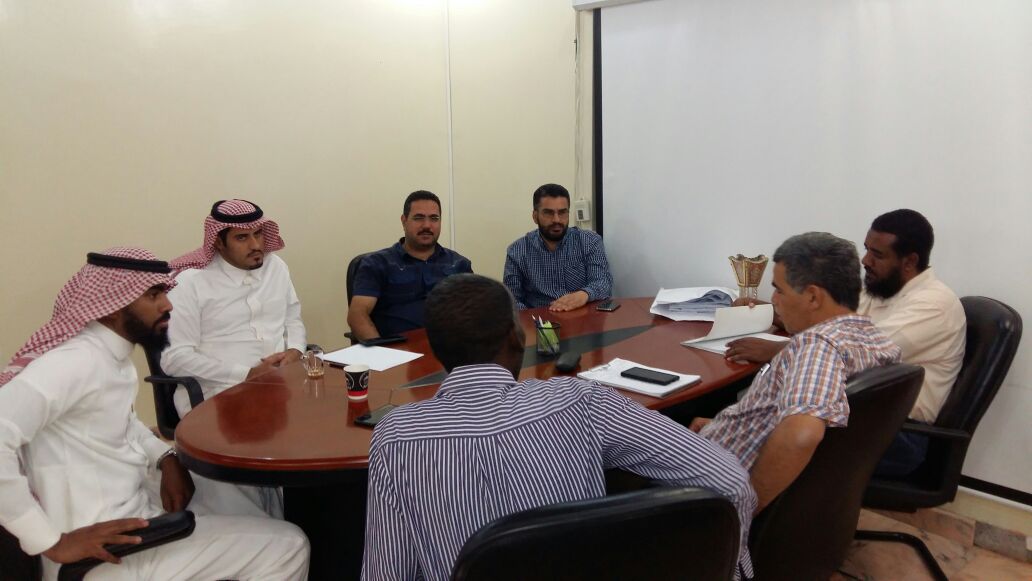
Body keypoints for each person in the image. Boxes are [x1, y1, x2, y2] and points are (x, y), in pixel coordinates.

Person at [361, 274, 756, 581]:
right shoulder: (580, 399)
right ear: (516, 338)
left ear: (436, 352)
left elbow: (386, 572)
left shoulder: (395, 437)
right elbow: (731, 482)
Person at [0, 248, 309, 581]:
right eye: (153, 295)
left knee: (229, 494)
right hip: (111, 552)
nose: (168, 305)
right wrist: (49, 542)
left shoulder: (107, 356)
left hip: (134, 511)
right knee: (290, 544)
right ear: (112, 306)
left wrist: (166, 458)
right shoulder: (74, 363)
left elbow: (123, 423)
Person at [724, 210, 964, 477]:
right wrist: (772, 309)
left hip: (900, 432)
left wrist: (773, 350)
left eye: (877, 255)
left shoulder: (934, 305)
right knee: (751, 417)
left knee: (777, 433)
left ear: (909, 262)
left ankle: (742, 495)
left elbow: (850, 350)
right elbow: (827, 321)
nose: (866, 260)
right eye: (866, 249)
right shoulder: (881, 288)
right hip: (857, 410)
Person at [690, 233, 901, 513]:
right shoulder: (874, 339)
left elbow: (801, 436)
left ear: (813, 296)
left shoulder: (817, 346)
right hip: (750, 465)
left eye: (779, 290)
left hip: (711, 492)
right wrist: (727, 425)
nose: (774, 300)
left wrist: (743, 511)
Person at [162, 198, 307, 517]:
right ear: (218, 241)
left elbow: (293, 318)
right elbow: (175, 358)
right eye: (242, 237)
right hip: (217, 392)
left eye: (259, 234)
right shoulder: (190, 282)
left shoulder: (276, 267)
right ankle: (256, 527)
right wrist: (246, 374)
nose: (256, 245)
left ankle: (303, 520)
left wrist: (295, 350)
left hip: (279, 385)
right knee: (250, 493)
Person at [347, 190, 472, 340]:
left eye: (434, 218)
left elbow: (473, 313)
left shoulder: (458, 264)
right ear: (404, 221)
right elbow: (357, 316)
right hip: (396, 349)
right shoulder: (377, 264)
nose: (427, 225)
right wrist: (382, 350)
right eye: (418, 218)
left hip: (449, 348)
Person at [503, 183, 613, 311]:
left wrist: (584, 294)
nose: (557, 220)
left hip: (583, 317)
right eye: (548, 213)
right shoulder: (517, 251)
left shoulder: (589, 241)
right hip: (540, 319)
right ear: (535, 216)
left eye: (562, 212)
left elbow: (603, 282)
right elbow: (512, 300)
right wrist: (531, 319)